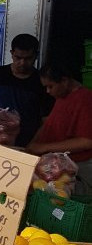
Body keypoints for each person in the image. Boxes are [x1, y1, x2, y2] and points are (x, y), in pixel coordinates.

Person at [0, 33, 52, 147]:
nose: (22, 63)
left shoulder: (42, 82)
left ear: (36, 56)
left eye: (28, 58)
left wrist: (33, 145)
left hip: (23, 146)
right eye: (18, 58)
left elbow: (45, 121)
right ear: (12, 54)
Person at [27, 63, 92, 193]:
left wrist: (46, 147)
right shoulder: (61, 96)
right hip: (53, 167)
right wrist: (33, 144)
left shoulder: (86, 99)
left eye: (50, 86)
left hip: (75, 170)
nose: (48, 91)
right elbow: (48, 123)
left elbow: (86, 141)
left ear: (64, 81)